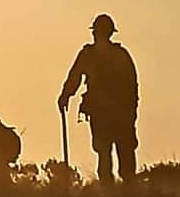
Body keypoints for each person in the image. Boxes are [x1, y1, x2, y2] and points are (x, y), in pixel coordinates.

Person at [58, 14, 139, 184]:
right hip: (112, 112)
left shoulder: (93, 55)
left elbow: (75, 77)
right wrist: (65, 95)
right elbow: (75, 77)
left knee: (110, 152)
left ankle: (118, 193)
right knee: (112, 152)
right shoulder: (117, 55)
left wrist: (65, 96)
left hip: (111, 112)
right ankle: (119, 194)